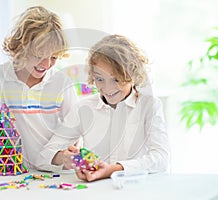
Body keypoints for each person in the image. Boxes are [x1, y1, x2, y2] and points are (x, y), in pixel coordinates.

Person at [0, 6, 78, 179]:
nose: (47, 63)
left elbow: (74, 126)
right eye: (40, 54)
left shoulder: (62, 82)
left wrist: (68, 154)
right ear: (22, 46)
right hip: (16, 172)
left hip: (54, 170)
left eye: (54, 57)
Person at [50, 34, 169, 182]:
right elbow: (46, 154)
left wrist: (114, 169)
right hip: (94, 190)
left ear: (132, 74)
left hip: (136, 190)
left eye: (116, 79)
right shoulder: (83, 107)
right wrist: (65, 158)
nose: (107, 88)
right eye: (100, 79)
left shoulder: (149, 105)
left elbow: (161, 159)